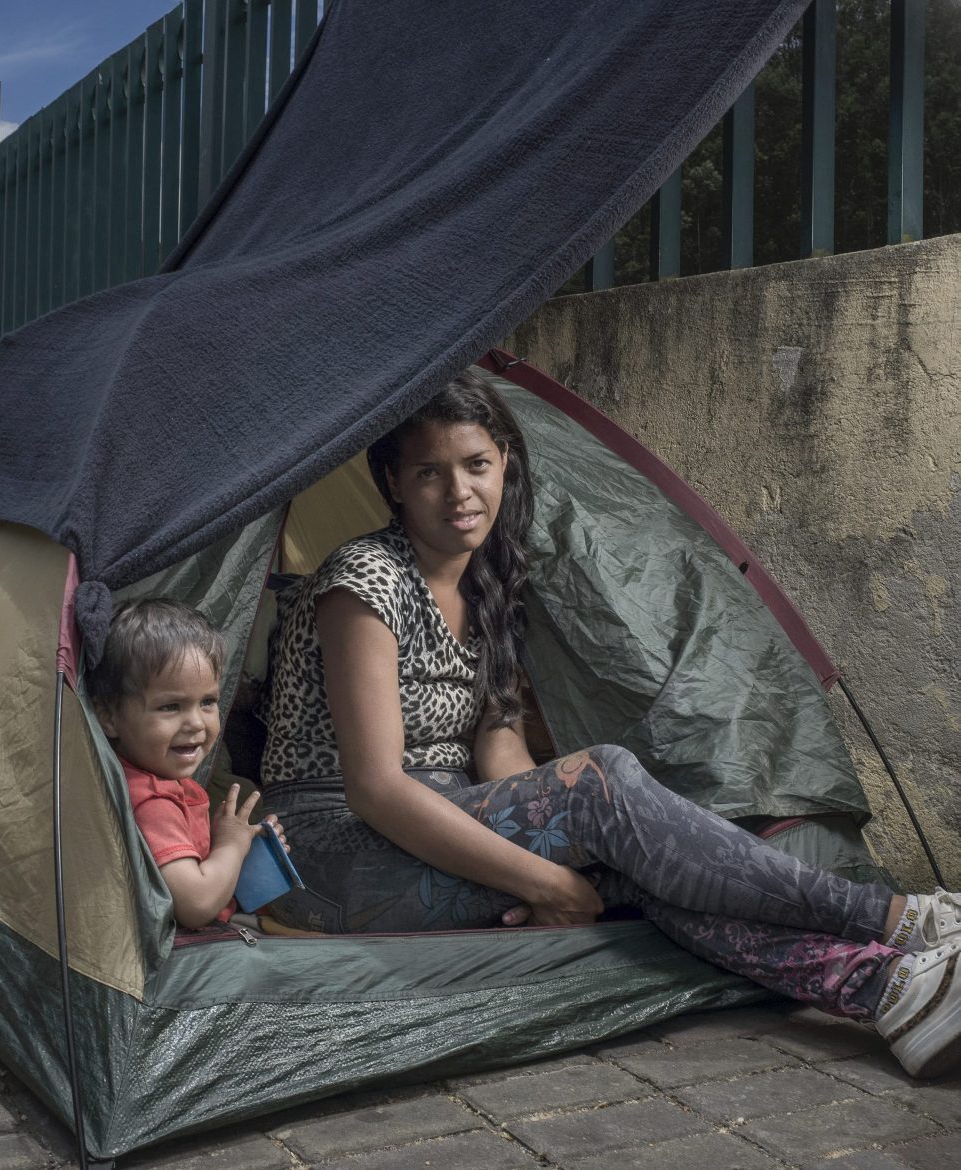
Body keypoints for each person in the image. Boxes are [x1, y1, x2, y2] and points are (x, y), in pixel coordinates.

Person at [260, 367, 961, 1078]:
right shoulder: (364, 580)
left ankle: (892, 990)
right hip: (329, 857)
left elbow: (497, 743)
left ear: (504, 461)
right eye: (430, 473)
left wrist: (566, 842)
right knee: (602, 782)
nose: (460, 492)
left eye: (476, 465)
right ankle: (898, 918)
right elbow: (375, 788)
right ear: (393, 484)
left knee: (632, 856)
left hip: (440, 818)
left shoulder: (488, 583)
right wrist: (543, 877)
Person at [91, 597, 288, 930]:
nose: (197, 723)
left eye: (208, 702)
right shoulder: (151, 801)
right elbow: (196, 905)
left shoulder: (164, 782)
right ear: (110, 717)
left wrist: (244, 851)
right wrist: (231, 846)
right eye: (171, 707)